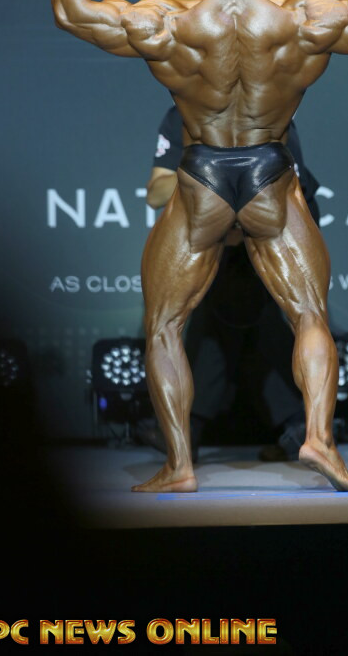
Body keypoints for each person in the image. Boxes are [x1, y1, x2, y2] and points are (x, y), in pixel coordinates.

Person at [51, 0, 348, 493]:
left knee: (165, 325)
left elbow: (71, 12)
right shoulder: (306, 20)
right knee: (309, 315)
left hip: (203, 177)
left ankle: (180, 467)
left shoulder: (167, 24)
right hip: (271, 173)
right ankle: (319, 439)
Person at [143, 106, 320, 461]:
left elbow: (291, 186)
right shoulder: (183, 111)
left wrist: (240, 208)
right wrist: (205, 173)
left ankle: (308, 433)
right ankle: (186, 431)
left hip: (275, 227)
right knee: (205, 319)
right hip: (213, 233)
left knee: (288, 319)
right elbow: (156, 192)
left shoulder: (269, 104)